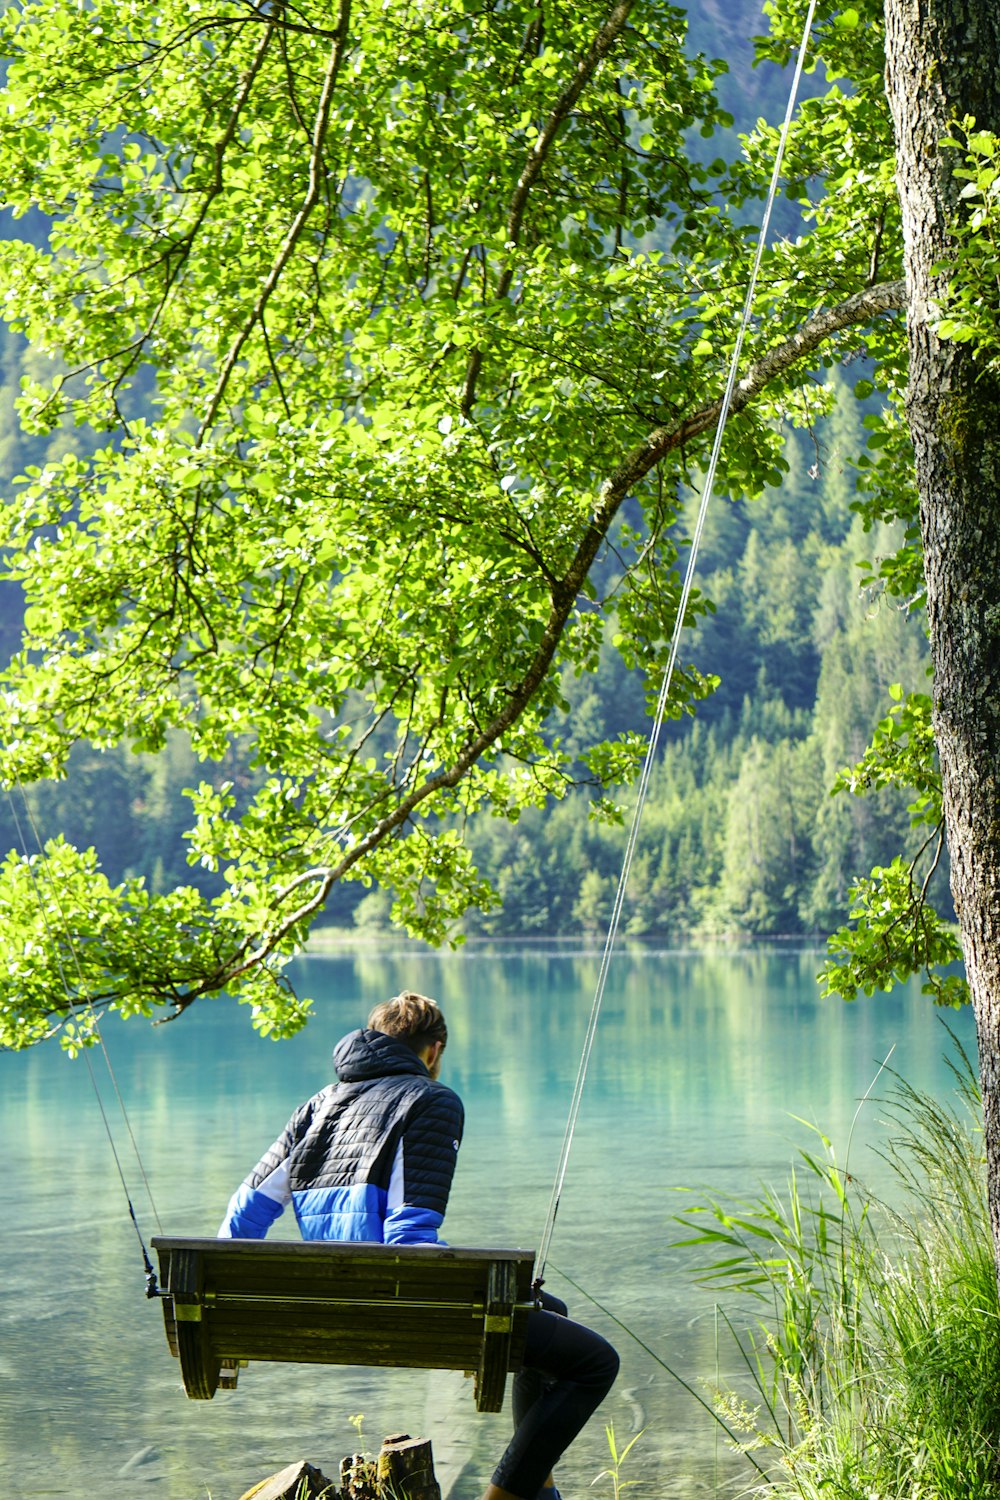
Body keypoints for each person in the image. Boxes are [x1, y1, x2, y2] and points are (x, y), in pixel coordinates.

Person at [219, 991, 619, 1500]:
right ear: (432, 1051)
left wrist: (230, 1293)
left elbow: (243, 1216)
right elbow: (407, 1236)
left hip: (328, 1306)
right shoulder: (431, 1098)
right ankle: (509, 1496)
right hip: (397, 1308)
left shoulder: (316, 1105)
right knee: (594, 1364)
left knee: (548, 1312)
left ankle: (537, 1487)